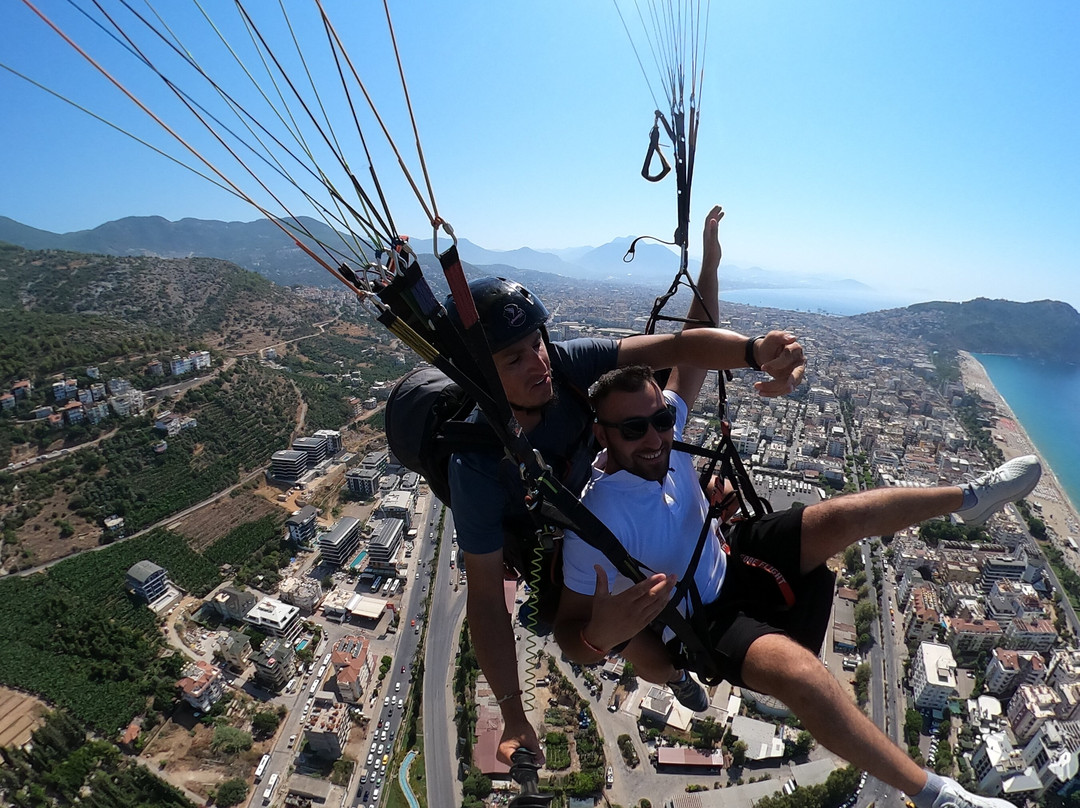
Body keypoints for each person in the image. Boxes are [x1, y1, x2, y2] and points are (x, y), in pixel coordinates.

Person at [553, 361, 1041, 808]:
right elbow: (570, 635)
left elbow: (693, 348)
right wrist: (601, 636)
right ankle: (939, 796)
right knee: (803, 677)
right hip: (700, 617)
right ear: (603, 434)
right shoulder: (596, 521)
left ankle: (970, 498)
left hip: (729, 549)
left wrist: (710, 263)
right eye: (635, 429)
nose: (657, 438)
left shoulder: (666, 428)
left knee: (844, 514)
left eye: (661, 420)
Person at [447, 205, 807, 764]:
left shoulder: (567, 366)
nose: (537, 363)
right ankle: (671, 681)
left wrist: (750, 351)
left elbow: (679, 353)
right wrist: (514, 714)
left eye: (537, 343)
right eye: (514, 358)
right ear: (482, 375)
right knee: (642, 643)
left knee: (652, 614)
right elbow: (487, 599)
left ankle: (671, 676)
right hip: (559, 548)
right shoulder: (475, 460)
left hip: (612, 511)